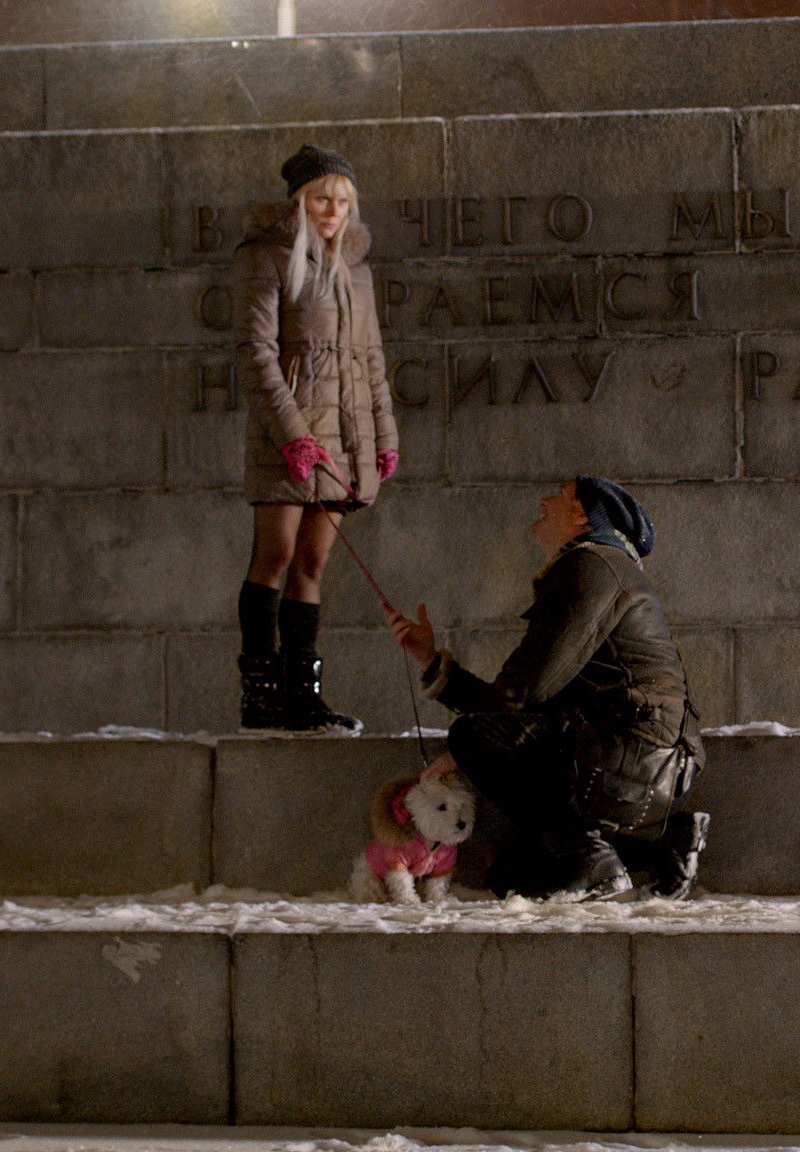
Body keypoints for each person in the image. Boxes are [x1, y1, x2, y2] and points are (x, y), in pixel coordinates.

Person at [385, 477, 709, 902]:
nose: (542, 500)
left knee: (471, 735)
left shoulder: (592, 566)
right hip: (645, 767)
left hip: (633, 761)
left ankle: (593, 861)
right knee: (510, 877)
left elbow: (521, 693)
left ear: (583, 517)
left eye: (559, 494)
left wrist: (468, 748)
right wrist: (429, 660)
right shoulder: (598, 569)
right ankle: (663, 848)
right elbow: (535, 697)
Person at [233, 145, 398, 735]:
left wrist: (382, 437)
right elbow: (256, 355)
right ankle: (261, 696)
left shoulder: (356, 269)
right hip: (287, 438)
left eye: (343, 201)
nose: (333, 211)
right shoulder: (267, 256)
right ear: (299, 201)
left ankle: (305, 697)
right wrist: (293, 437)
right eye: (323, 199)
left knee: (312, 564)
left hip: (343, 442)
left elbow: (371, 360)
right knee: (275, 557)